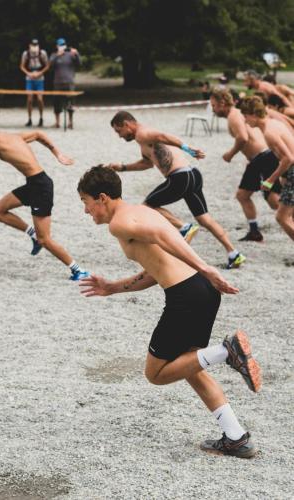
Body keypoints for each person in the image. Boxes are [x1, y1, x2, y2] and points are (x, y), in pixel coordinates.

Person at [77, 165, 261, 458]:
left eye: (85, 203)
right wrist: (112, 287)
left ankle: (228, 351)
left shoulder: (120, 223)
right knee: (190, 366)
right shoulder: (142, 210)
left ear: (101, 197)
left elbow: (163, 236)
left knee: (157, 374)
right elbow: (155, 268)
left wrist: (206, 266)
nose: (86, 211)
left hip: (186, 295)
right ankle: (235, 437)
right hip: (202, 291)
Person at [0, 103, 89, 280]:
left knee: (45, 239)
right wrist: (56, 153)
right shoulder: (11, 136)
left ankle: (79, 270)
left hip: (40, 187)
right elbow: (38, 134)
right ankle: (32, 234)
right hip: (34, 183)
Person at [108, 111, 245, 269]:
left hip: (180, 177)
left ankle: (184, 227)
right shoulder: (143, 139)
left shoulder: (142, 133)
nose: (119, 136)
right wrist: (123, 168)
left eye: (119, 131)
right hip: (192, 175)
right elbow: (147, 163)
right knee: (204, 219)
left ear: (127, 124)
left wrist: (187, 148)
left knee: (147, 206)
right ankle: (233, 253)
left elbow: (163, 136)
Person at [210, 89, 281, 242]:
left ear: (222, 103)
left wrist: (230, 153)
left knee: (271, 199)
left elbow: (243, 137)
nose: (213, 109)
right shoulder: (237, 113)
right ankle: (254, 232)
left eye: (214, 106)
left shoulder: (233, 116)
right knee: (246, 196)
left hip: (262, 158)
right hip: (261, 157)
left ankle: (271, 224)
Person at [240, 96, 294, 240]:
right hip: (290, 173)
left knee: (282, 217)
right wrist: (284, 177)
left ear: (253, 115)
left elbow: (288, 158)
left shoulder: (269, 132)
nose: (245, 121)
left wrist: (270, 180)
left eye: (245, 116)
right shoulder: (274, 123)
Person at [49, 37, 81, 129]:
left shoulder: (70, 55)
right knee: (56, 102)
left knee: (70, 102)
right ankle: (57, 122)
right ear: (57, 46)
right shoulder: (54, 55)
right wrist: (57, 56)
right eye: (60, 45)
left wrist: (77, 54)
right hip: (57, 83)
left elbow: (79, 64)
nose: (61, 47)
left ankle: (70, 122)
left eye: (63, 45)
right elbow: (50, 65)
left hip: (69, 82)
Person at [20, 38, 49, 127]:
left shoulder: (42, 53)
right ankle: (29, 119)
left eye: (36, 45)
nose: (34, 47)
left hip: (40, 78)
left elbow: (47, 65)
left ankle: (41, 118)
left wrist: (40, 73)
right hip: (29, 78)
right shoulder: (26, 54)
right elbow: (22, 66)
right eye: (33, 45)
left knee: (40, 99)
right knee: (29, 99)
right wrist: (28, 73)